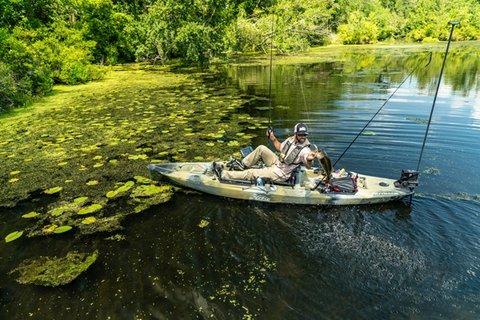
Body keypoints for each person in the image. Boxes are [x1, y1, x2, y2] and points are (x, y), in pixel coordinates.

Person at [217, 123, 332, 183]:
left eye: (305, 135)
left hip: (281, 173)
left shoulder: (305, 149)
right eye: (301, 135)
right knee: (261, 148)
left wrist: (310, 158)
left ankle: (225, 175)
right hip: (277, 163)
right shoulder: (291, 140)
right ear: (295, 134)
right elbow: (279, 147)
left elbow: (307, 163)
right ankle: (243, 165)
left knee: (252, 173)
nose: (303, 137)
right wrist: (272, 138)